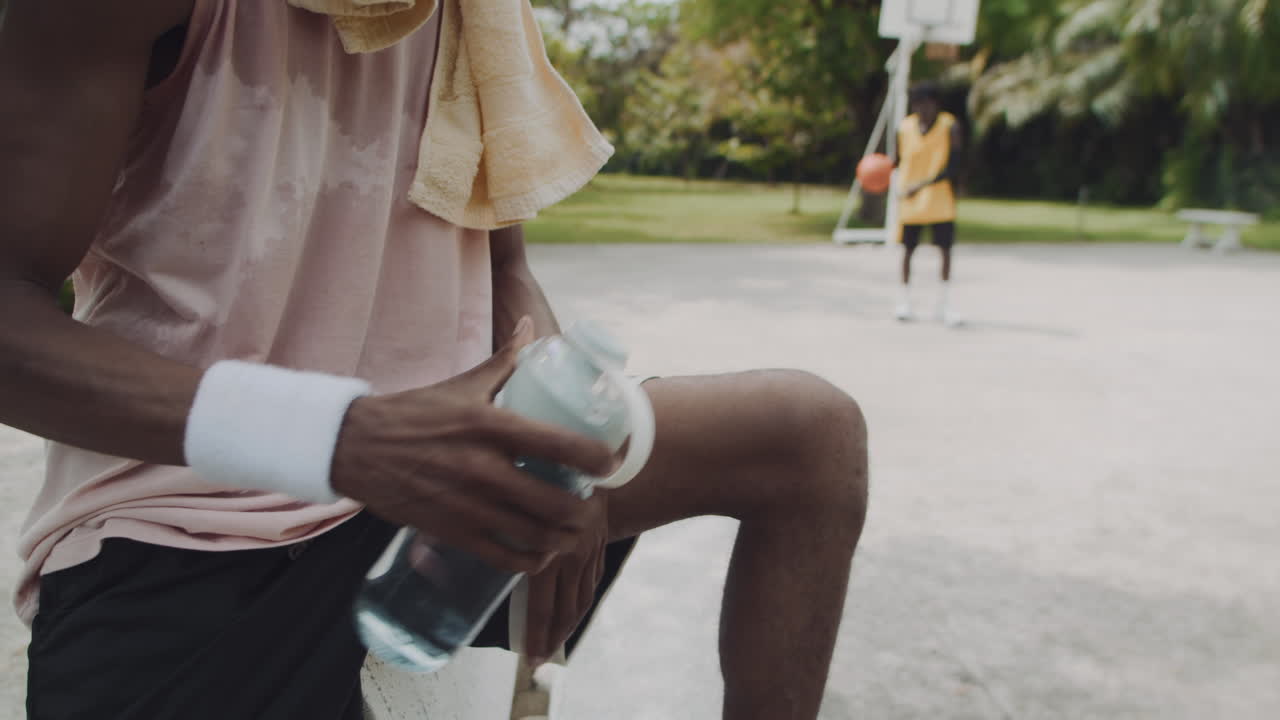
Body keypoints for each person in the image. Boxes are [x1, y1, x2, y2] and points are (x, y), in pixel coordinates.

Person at [0, 3, 868, 719]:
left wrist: (557, 454)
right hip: (183, 530)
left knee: (807, 440)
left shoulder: (473, 16)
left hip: (440, 493)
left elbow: (503, 266)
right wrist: (342, 437)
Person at [894, 81, 964, 326]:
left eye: (926, 103)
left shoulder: (950, 126)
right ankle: (904, 301)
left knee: (945, 251)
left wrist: (922, 185)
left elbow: (953, 167)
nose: (921, 109)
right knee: (907, 251)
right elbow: (897, 161)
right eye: (917, 104)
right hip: (910, 200)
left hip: (939, 200)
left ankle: (944, 304)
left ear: (936, 104)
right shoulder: (905, 127)